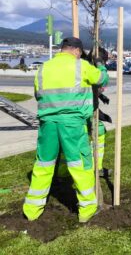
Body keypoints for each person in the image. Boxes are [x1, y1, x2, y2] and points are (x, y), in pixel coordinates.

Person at [23, 37, 109, 223]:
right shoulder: (81, 66)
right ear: (77, 51)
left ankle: (31, 210)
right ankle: (87, 209)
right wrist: (101, 64)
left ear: (62, 49)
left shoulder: (43, 68)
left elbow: (38, 94)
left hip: (47, 123)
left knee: (43, 164)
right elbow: (102, 78)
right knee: (80, 164)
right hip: (72, 123)